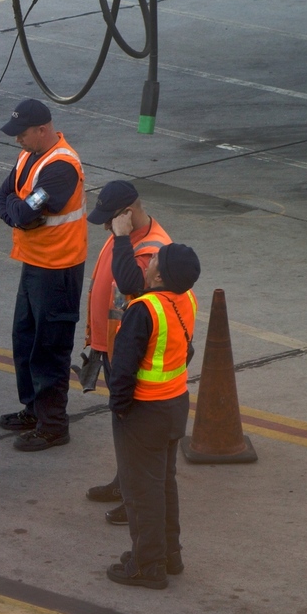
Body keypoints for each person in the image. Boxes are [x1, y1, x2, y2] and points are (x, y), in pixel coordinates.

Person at [0, 99, 88, 452]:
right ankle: (34, 409)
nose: (17, 139)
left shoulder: (61, 166)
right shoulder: (29, 155)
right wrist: (17, 211)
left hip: (58, 268)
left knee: (50, 347)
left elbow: (23, 210)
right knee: (25, 339)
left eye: (22, 133)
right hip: (34, 262)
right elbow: (5, 200)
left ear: (42, 130)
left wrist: (17, 211)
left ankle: (53, 425)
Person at [105, 243, 199, 590]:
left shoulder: (144, 309)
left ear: (159, 275)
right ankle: (168, 554)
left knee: (141, 491)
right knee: (164, 485)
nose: (148, 262)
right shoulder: (186, 299)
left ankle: (147, 565)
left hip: (144, 412)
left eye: (154, 260)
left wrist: (119, 408)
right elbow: (186, 350)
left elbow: (124, 369)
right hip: (175, 405)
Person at [78, 181, 172, 526]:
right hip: (112, 347)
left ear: (127, 214)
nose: (105, 226)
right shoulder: (126, 236)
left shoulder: (152, 248)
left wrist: (118, 237)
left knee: (132, 429)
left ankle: (133, 499)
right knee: (122, 426)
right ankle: (123, 484)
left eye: (110, 220)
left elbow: (132, 284)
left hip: (130, 356)